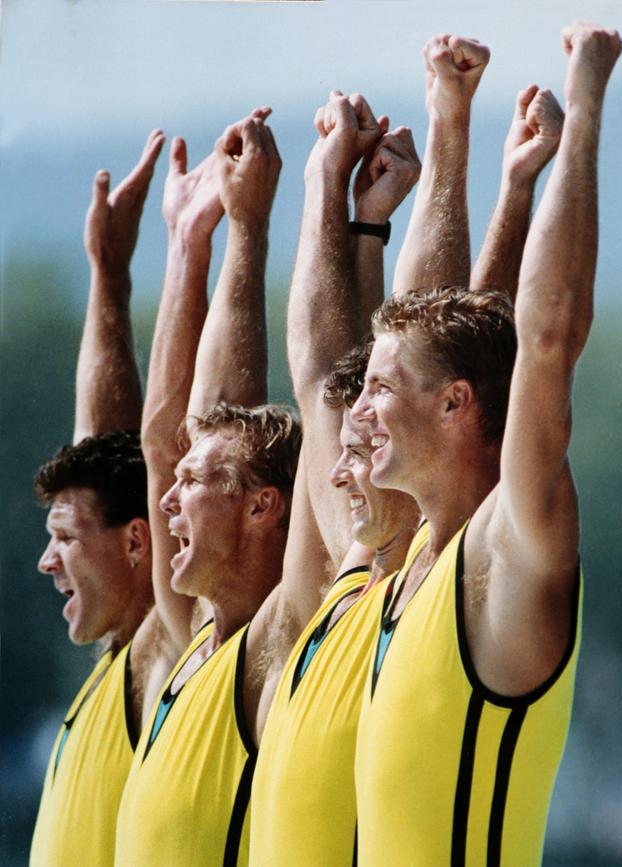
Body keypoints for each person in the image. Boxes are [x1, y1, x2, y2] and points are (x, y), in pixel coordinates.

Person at [250, 34, 564, 866]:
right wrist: (348, 215)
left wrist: (458, 142)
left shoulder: (400, 550)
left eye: (377, 416)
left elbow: (454, 349)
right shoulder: (355, 577)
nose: (353, 438)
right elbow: (344, 374)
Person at [350, 23, 622, 866]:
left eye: (379, 390)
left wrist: (584, 102)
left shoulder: (510, 549)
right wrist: (479, 158)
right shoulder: (408, 566)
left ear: (456, 408)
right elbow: (471, 338)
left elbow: (541, 342)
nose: (357, 412)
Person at [114, 110, 303, 867]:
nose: (164, 501)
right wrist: (190, 246)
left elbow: (296, 391)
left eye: (198, 485)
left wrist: (253, 231)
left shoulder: (280, 643)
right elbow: (168, 445)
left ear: (264, 506)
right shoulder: (198, 635)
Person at [30, 130, 164, 867]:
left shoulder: (171, 651)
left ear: (141, 544)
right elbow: (106, 460)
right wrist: (108, 274)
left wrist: (224, 242)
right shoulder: (115, 664)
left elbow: (168, 446)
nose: (47, 563)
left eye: (65, 541)